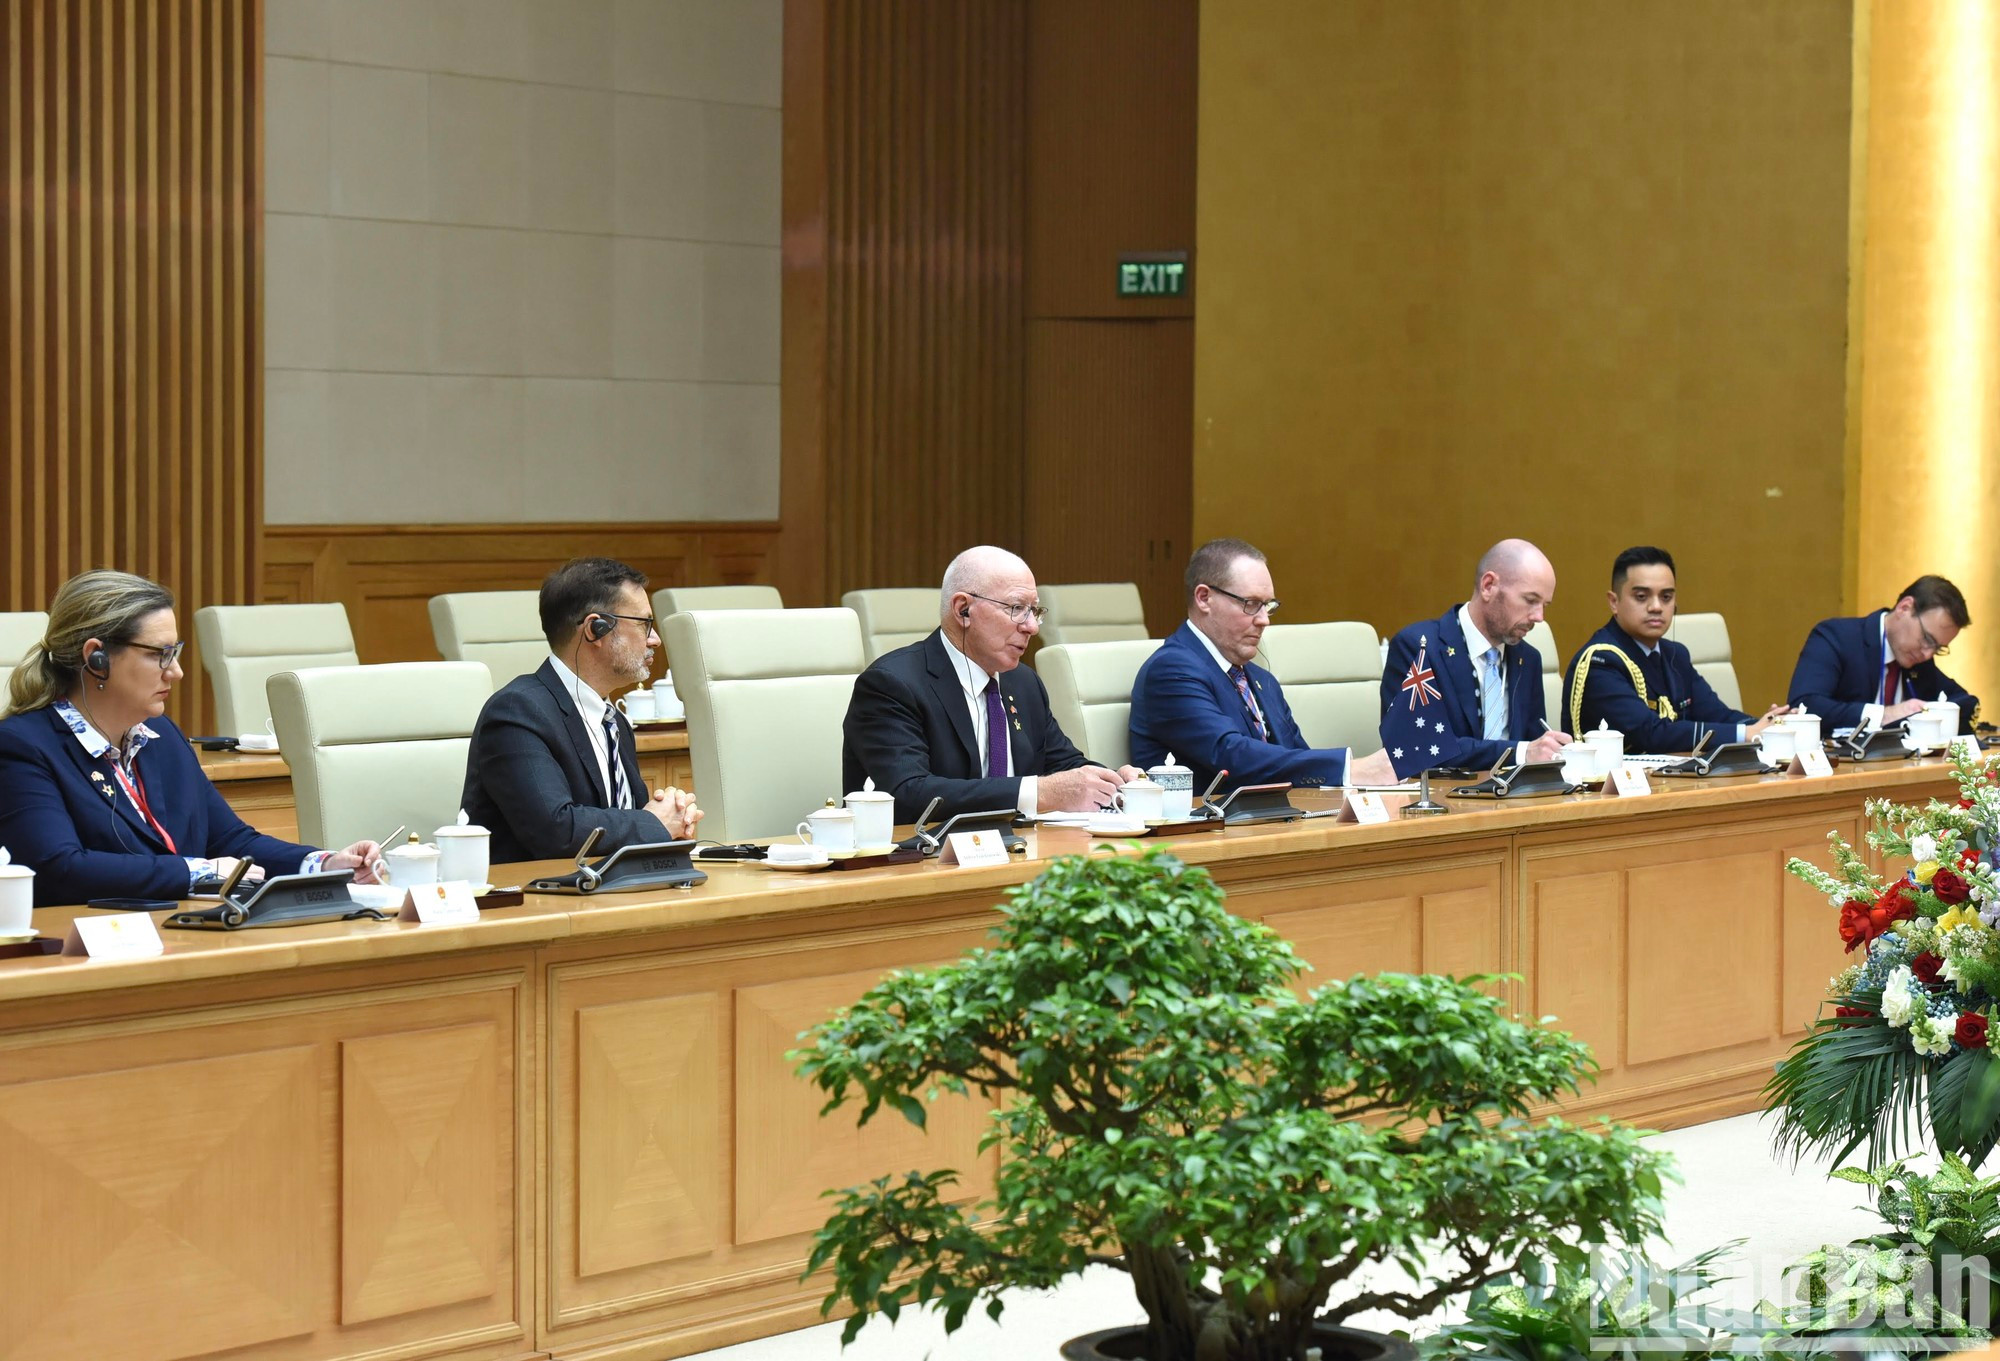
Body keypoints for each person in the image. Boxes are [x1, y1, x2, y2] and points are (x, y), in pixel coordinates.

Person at [0, 570, 384, 907]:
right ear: (96, 658)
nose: (177, 672)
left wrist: (322, 865)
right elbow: (56, 868)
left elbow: (229, 840)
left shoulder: (160, 735)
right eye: (160, 655)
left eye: (176, 652)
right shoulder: (22, 746)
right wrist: (196, 872)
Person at [842, 545, 1142, 823]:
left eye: (1034, 610)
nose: (1032, 626)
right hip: (922, 863)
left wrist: (1113, 782)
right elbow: (906, 794)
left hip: (1019, 852)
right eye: (1016, 608)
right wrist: (1039, 793)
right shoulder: (892, 685)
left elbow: (1061, 765)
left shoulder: (1023, 682)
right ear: (963, 609)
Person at [461, 558, 702, 863]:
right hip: (536, 901)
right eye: (644, 624)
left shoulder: (614, 721)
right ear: (595, 629)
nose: (655, 640)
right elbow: (556, 831)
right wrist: (654, 823)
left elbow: (628, 824)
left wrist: (673, 816)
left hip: (608, 892)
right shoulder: (516, 712)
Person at [1129, 538, 1396, 794]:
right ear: (1203, 598)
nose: (1264, 620)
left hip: (1274, 825)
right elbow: (1231, 755)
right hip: (1203, 833)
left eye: (1267, 606)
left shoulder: (1260, 679)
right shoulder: (1171, 671)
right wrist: (1349, 768)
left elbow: (1296, 759)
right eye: (1251, 604)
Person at [1562, 546, 1788, 752]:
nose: (1656, 607)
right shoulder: (1601, 661)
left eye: (1666, 597)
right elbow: (1651, 733)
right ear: (1614, 602)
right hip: (1611, 790)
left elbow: (1717, 714)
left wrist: (1770, 725)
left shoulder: (1675, 655)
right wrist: (1748, 734)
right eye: (1641, 597)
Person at [1377, 539, 1572, 778]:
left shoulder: (1528, 659)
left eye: (1545, 605)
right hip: (1442, 803)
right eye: (1530, 600)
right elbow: (1417, 748)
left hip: (1515, 802)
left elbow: (1535, 746)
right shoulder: (1419, 648)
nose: (1540, 616)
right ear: (1488, 586)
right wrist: (1520, 753)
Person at [1788, 575, 1978, 733]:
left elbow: (1963, 701)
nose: (1928, 654)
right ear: (1904, 608)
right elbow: (1805, 706)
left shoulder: (1919, 659)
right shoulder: (1837, 637)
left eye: (1938, 648)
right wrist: (1885, 714)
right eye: (1927, 639)